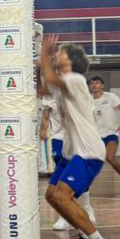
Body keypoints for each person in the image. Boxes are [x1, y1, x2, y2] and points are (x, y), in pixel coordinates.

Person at [39, 36, 117, 239]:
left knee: (62, 196)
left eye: (61, 52)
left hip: (88, 152)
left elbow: (50, 78)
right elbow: (42, 89)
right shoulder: (63, 82)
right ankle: (84, 236)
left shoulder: (76, 79)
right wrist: (40, 66)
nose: (57, 54)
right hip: (71, 151)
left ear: (70, 61)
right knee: (51, 196)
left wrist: (44, 51)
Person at [41, 93, 96, 231]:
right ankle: (63, 217)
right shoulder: (49, 95)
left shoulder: (80, 91)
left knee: (78, 172)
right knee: (61, 171)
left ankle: (87, 207)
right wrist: (43, 129)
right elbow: (46, 116)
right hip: (58, 137)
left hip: (77, 136)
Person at [89, 75, 120, 192]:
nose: (94, 85)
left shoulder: (111, 97)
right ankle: (84, 184)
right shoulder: (88, 100)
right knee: (90, 160)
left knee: (110, 158)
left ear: (102, 85)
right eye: (92, 83)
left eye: (97, 82)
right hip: (96, 135)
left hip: (111, 133)